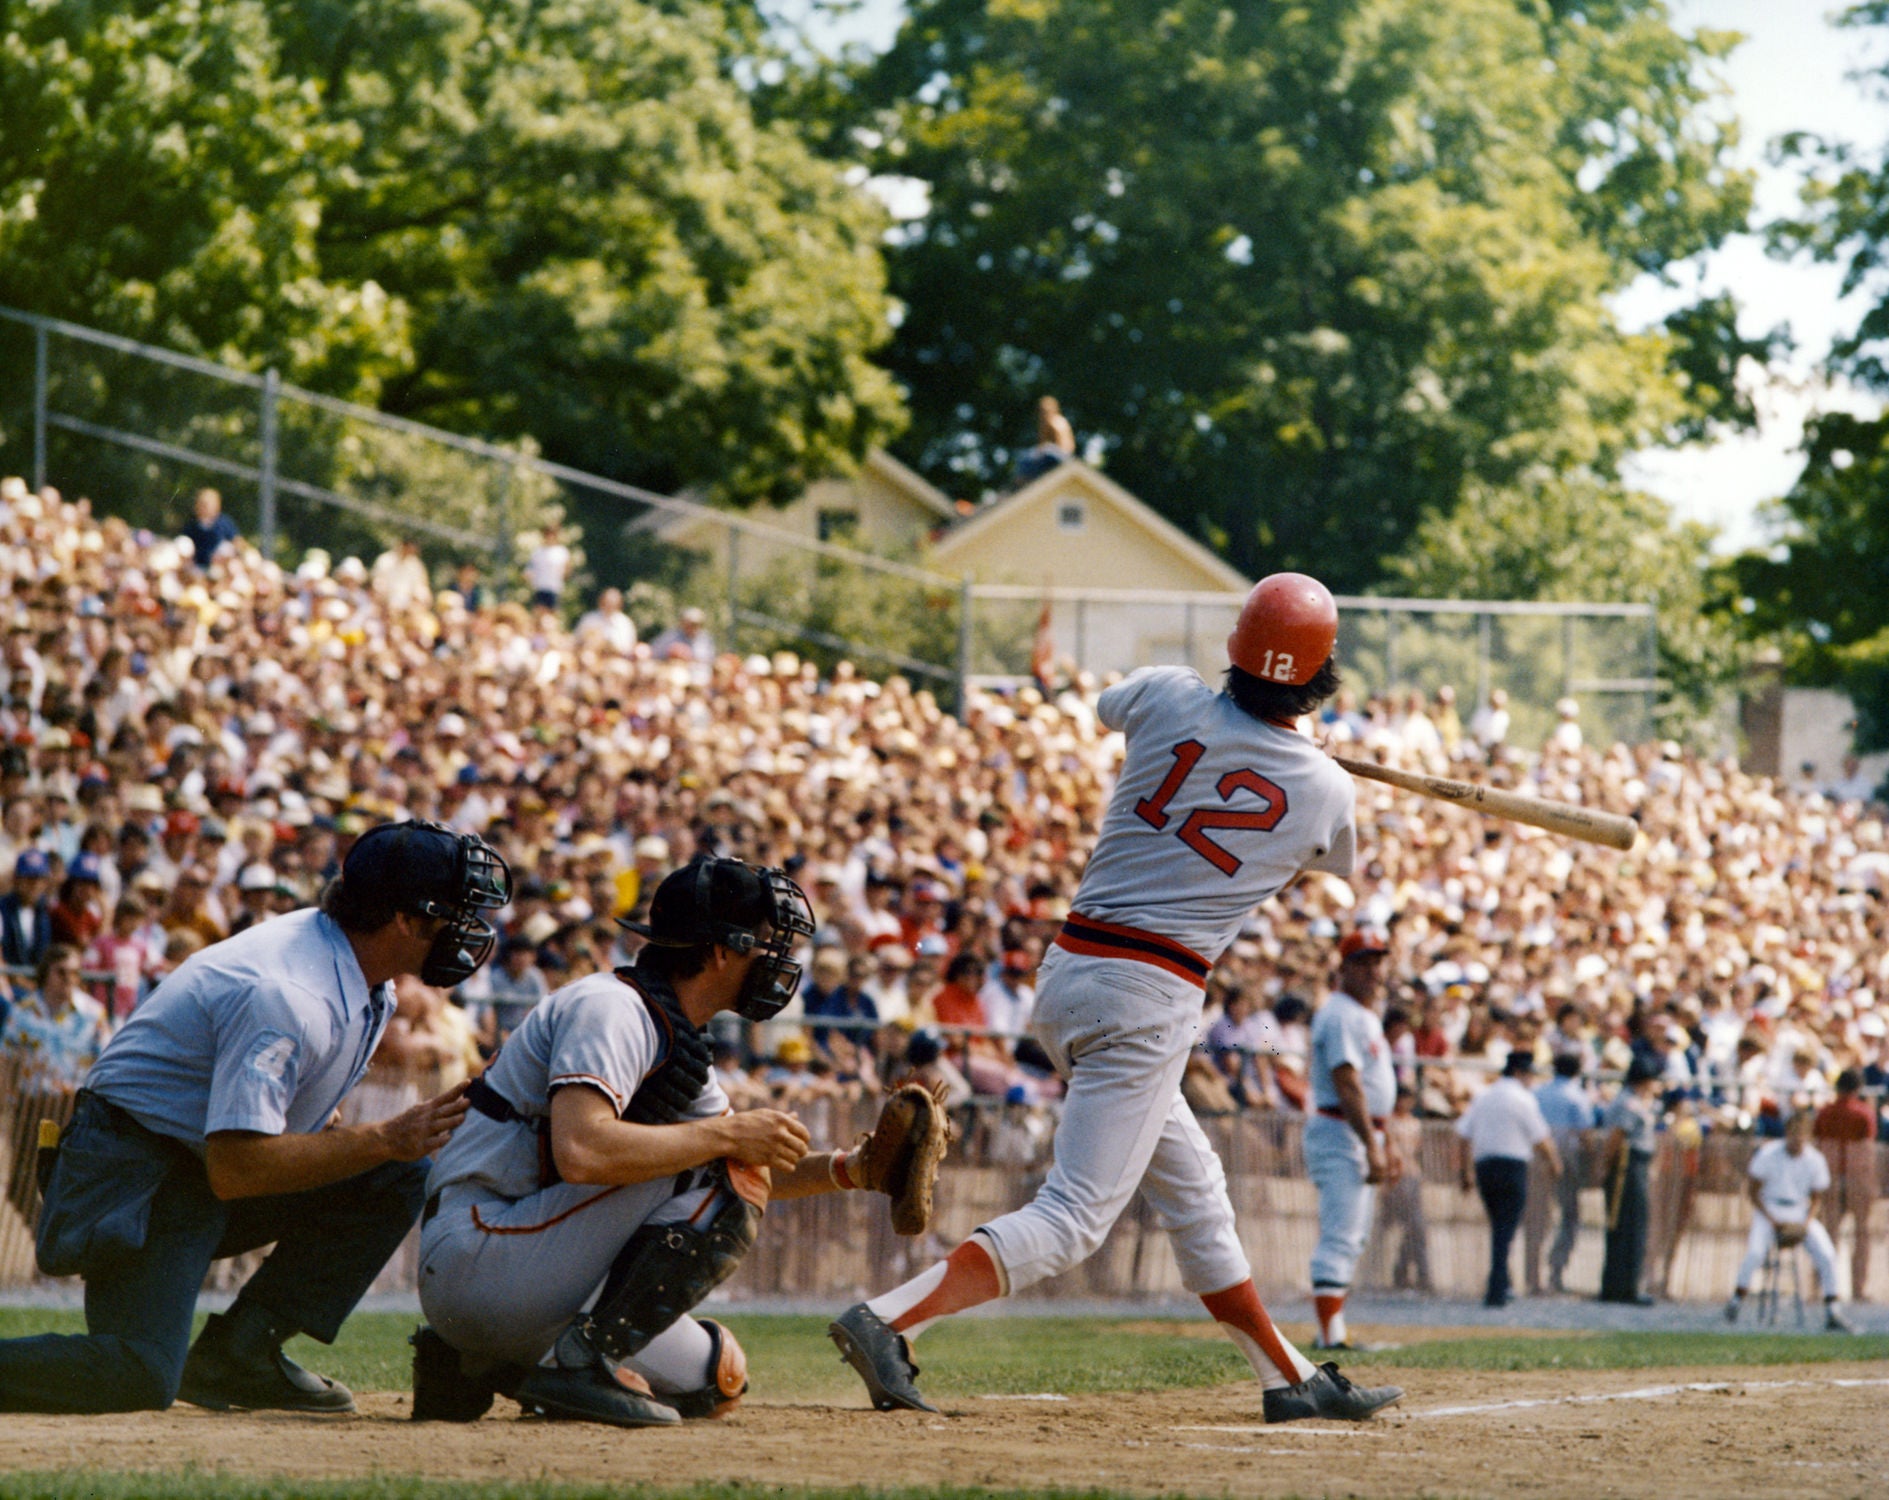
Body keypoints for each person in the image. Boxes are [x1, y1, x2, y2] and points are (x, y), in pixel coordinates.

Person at [826, 573, 1401, 1424]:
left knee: (1196, 1192)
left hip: (1071, 972)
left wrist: (1236, 733)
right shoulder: (1325, 787)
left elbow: (1108, 707)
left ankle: (1287, 1378)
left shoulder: (1169, 696)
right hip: (1151, 991)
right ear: (1320, 678)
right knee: (1072, 1219)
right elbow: (1334, 863)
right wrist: (1294, 747)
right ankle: (887, 1319)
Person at [0, 819, 509, 1415]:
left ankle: (241, 1354)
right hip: (136, 1176)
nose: (466, 928)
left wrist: (348, 1134)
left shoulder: (355, 972)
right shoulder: (290, 990)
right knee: (137, 1373)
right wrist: (384, 1137)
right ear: (403, 919)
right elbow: (236, 1168)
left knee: (394, 1175)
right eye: (453, 911)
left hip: (186, 1167)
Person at [408, 858, 927, 1426]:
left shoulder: (669, 1028)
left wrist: (856, 1168)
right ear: (721, 951)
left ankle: (474, 1364)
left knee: (720, 1378)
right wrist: (728, 1133)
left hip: (525, 1263)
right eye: (765, 942)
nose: (777, 960)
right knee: (720, 1157)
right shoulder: (611, 1008)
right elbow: (580, 1152)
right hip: (481, 1248)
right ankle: (579, 1362)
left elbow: (739, 1164)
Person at [1305, 927, 1399, 1350]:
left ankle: (1333, 1331)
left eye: (1378, 960)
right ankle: (1329, 1336)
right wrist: (1373, 1144)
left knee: (1352, 1234)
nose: (1373, 970)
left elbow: (1372, 1090)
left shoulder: (1362, 1014)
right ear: (1344, 968)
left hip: (1357, 1130)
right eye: (1363, 961)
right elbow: (1348, 1084)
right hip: (1340, 1129)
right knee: (1341, 1233)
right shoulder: (1341, 1011)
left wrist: (1385, 1139)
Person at [1726, 1109, 1854, 1332]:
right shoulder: (1768, 1153)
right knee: (1755, 1252)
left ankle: (1833, 1309)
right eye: (1794, 1134)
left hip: (1799, 1211)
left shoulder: (1815, 1159)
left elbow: (1816, 1198)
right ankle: (1736, 1300)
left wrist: (1805, 1224)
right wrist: (1772, 1219)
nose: (1798, 1139)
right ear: (1787, 1133)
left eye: (1802, 1134)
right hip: (1770, 1209)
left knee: (1827, 1253)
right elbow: (1753, 1192)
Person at [1454, 1051, 1560, 1308]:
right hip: (1512, 1166)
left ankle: (1502, 1281)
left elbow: (1463, 1133)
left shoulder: (1484, 1096)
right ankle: (1498, 1287)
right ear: (1519, 1073)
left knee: (1499, 1227)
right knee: (1506, 1229)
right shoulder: (1523, 1099)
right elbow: (1540, 1136)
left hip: (1485, 1166)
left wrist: (1465, 1171)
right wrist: (1554, 1162)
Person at [1530, 1050, 1597, 1294]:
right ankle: (1555, 1272)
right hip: (1565, 1158)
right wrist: (1592, 1164)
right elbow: (1586, 1134)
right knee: (1569, 1216)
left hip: (1537, 1157)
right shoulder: (1576, 1096)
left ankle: (1532, 1276)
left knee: (1537, 1216)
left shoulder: (1538, 1093)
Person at [1597, 1055, 1663, 1305]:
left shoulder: (1636, 1102)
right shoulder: (1629, 1104)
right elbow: (1616, 1138)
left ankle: (1619, 1284)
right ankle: (1625, 1287)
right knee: (1630, 1225)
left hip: (1636, 1164)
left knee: (1628, 1225)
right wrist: (1605, 1166)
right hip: (1628, 1165)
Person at [1813, 1069, 1876, 1303]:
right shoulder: (1863, 1113)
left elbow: (1819, 1143)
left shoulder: (1825, 1113)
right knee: (1861, 1234)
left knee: (1828, 1233)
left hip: (1830, 1177)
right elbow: (1867, 1149)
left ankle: (1822, 1287)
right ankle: (1858, 1289)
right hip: (1857, 1178)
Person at [1, 847, 53, 971]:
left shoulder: (45, 912)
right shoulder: (3, 909)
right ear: (17, 879)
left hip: (36, 982)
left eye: (39, 879)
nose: (34, 884)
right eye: (29, 878)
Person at [182, 488, 239, 567]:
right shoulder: (192, 525)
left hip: (219, 565)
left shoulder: (224, 522)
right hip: (196, 565)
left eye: (207, 504)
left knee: (226, 547)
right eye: (201, 504)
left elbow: (236, 541)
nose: (204, 508)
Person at [574, 587, 637, 655]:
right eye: (606, 602)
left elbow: (628, 647)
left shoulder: (624, 623)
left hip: (616, 657)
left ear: (619, 604)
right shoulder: (589, 618)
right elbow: (577, 639)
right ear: (601, 602)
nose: (609, 605)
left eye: (612, 603)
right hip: (592, 655)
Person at [524, 523, 571, 613]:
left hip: (554, 588)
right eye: (547, 534)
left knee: (552, 613)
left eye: (552, 534)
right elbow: (530, 567)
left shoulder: (561, 551)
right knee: (538, 613)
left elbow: (567, 569)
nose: (549, 537)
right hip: (540, 587)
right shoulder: (537, 552)